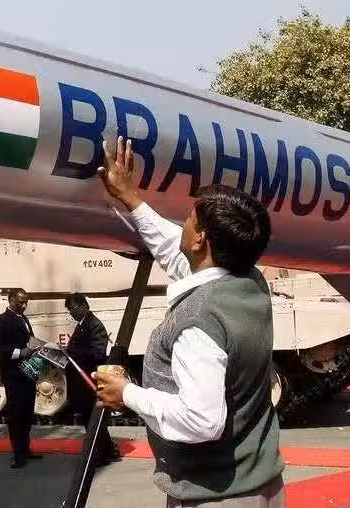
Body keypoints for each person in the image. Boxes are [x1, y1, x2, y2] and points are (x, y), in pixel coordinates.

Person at [93, 136, 285, 507]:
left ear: (200, 240)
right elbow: (175, 250)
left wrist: (126, 393)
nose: (181, 224)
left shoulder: (197, 323)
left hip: (217, 498)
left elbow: (202, 421)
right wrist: (130, 198)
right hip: (262, 486)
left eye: (189, 219)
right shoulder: (248, 283)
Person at [63, 292, 121, 466]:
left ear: (84, 306)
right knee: (92, 420)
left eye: (73, 308)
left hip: (89, 382)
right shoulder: (82, 324)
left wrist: (72, 352)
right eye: (69, 310)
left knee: (92, 420)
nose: (71, 313)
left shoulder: (94, 325)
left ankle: (100, 456)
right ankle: (108, 451)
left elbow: (98, 353)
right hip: (82, 383)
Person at [0, 288, 43, 468]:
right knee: (16, 415)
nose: (24, 305)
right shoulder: (0, 320)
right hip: (14, 376)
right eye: (20, 302)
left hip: (28, 373)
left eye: (26, 301)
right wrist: (20, 352)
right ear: (10, 299)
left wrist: (37, 348)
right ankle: (19, 454)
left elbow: (28, 341)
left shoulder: (24, 318)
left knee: (27, 414)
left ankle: (25, 449)